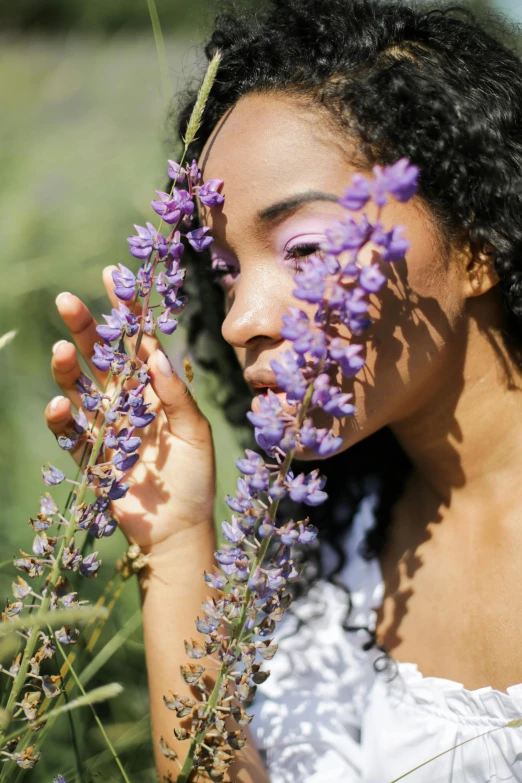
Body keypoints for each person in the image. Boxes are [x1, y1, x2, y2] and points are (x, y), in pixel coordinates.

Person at [44, 0, 522, 780]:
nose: (241, 321)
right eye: (227, 272)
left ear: (477, 241)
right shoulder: (330, 525)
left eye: (303, 248)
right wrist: (174, 541)